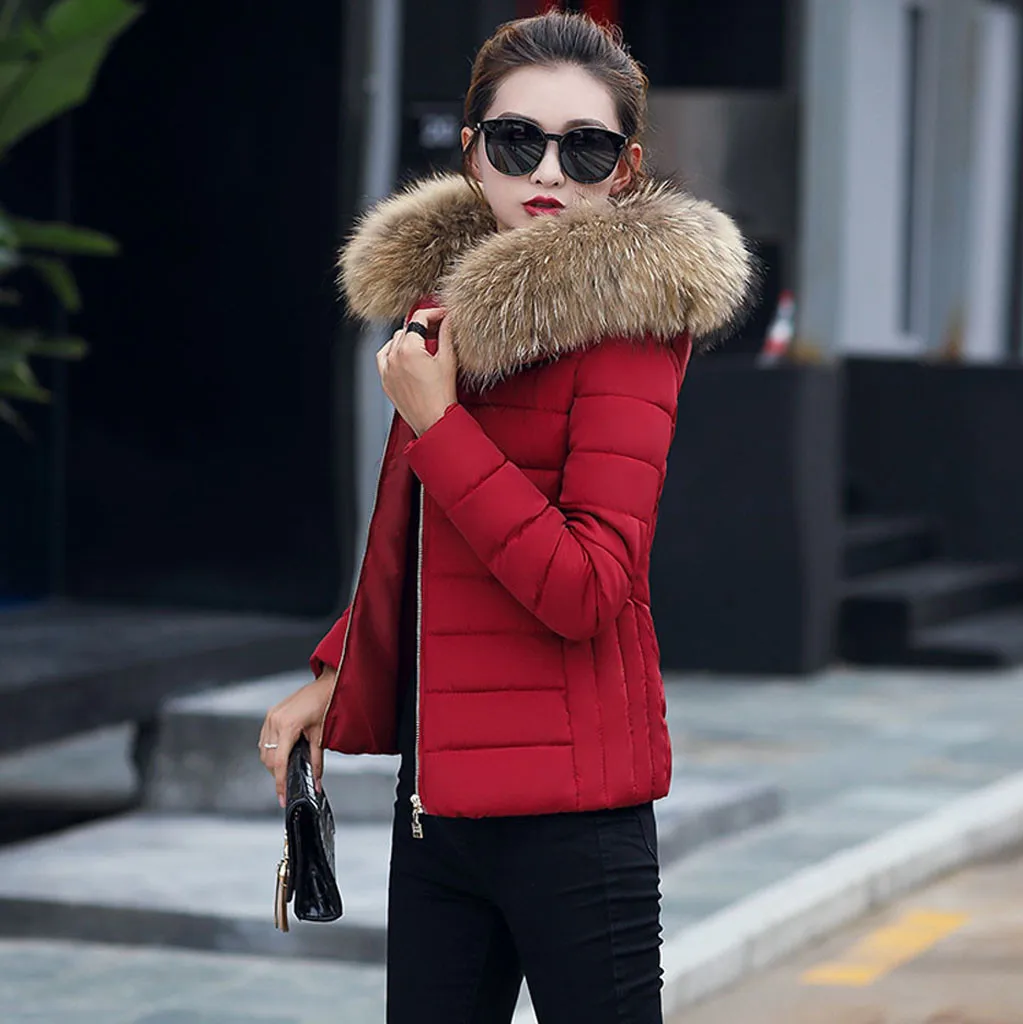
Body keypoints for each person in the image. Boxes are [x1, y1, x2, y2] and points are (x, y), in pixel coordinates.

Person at [258, 10, 753, 1023]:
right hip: (439, 807)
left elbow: (588, 588)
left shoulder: (629, 328)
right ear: (471, 147)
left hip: (575, 822)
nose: (550, 172)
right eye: (519, 140)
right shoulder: (446, 312)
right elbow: (415, 542)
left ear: (626, 169)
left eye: (587, 148)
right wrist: (339, 671)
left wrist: (438, 424)